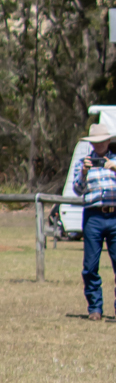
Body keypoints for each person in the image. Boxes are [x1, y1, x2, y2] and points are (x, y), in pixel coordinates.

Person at [76, 123, 116, 321]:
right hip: (93, 217)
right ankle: (95, 307)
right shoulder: (84, 162)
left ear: (108, 141)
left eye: (102, 141)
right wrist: (83, 172)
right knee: (90, 266)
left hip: (114, 216)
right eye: (95, 142)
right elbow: (77, 189)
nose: (99, 145)